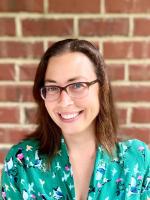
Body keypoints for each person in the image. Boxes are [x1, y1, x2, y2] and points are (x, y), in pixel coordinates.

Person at [0, 39, 150, 200]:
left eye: (77, 85)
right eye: (52, 88)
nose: (64, 101)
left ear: (101, 89)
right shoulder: (22, 163)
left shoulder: (137, 159)